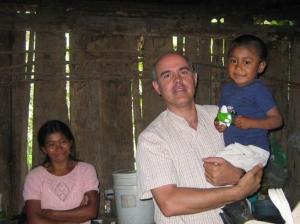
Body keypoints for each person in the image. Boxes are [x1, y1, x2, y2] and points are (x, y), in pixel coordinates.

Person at [136, 52, 263, 224]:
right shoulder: (152, 139)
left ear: (194, 78)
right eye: (167, 75)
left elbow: (257, 160)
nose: (178, 80)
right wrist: (237, 191)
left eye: (183, 72)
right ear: (157, 87)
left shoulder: (220, 115)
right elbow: (169, 203)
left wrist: (238, 175)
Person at [215, 34, 283, 152]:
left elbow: (277, 120)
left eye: (246, 62)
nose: (238, 67)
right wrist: (220, 123)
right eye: (233, 61)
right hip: (232, 149)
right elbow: (228, 112)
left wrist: (251, 123)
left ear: (260, 67)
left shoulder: (258, 90)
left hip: (254, 149)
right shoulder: (227, 90)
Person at [23, 120, 99, 224]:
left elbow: (91, 212)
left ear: (70, 143)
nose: (58, 148)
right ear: (44, 149)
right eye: (51, 144)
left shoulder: (86, 170)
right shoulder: (35, 177)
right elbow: (34, 220)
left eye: (63, 142)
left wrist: (52, 214)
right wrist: (77, 216)